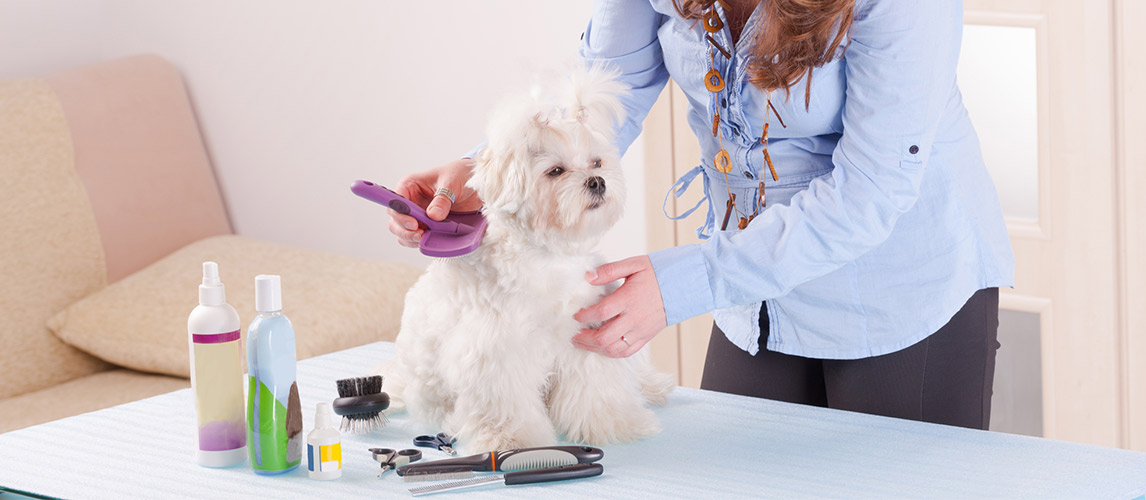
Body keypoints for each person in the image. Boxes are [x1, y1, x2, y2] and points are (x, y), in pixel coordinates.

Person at [387, 0, 1014, 431]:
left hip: (901, 291)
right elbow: (601, 94)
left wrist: (685, 284)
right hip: (754, 294)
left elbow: (872, 189)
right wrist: (481, 174)